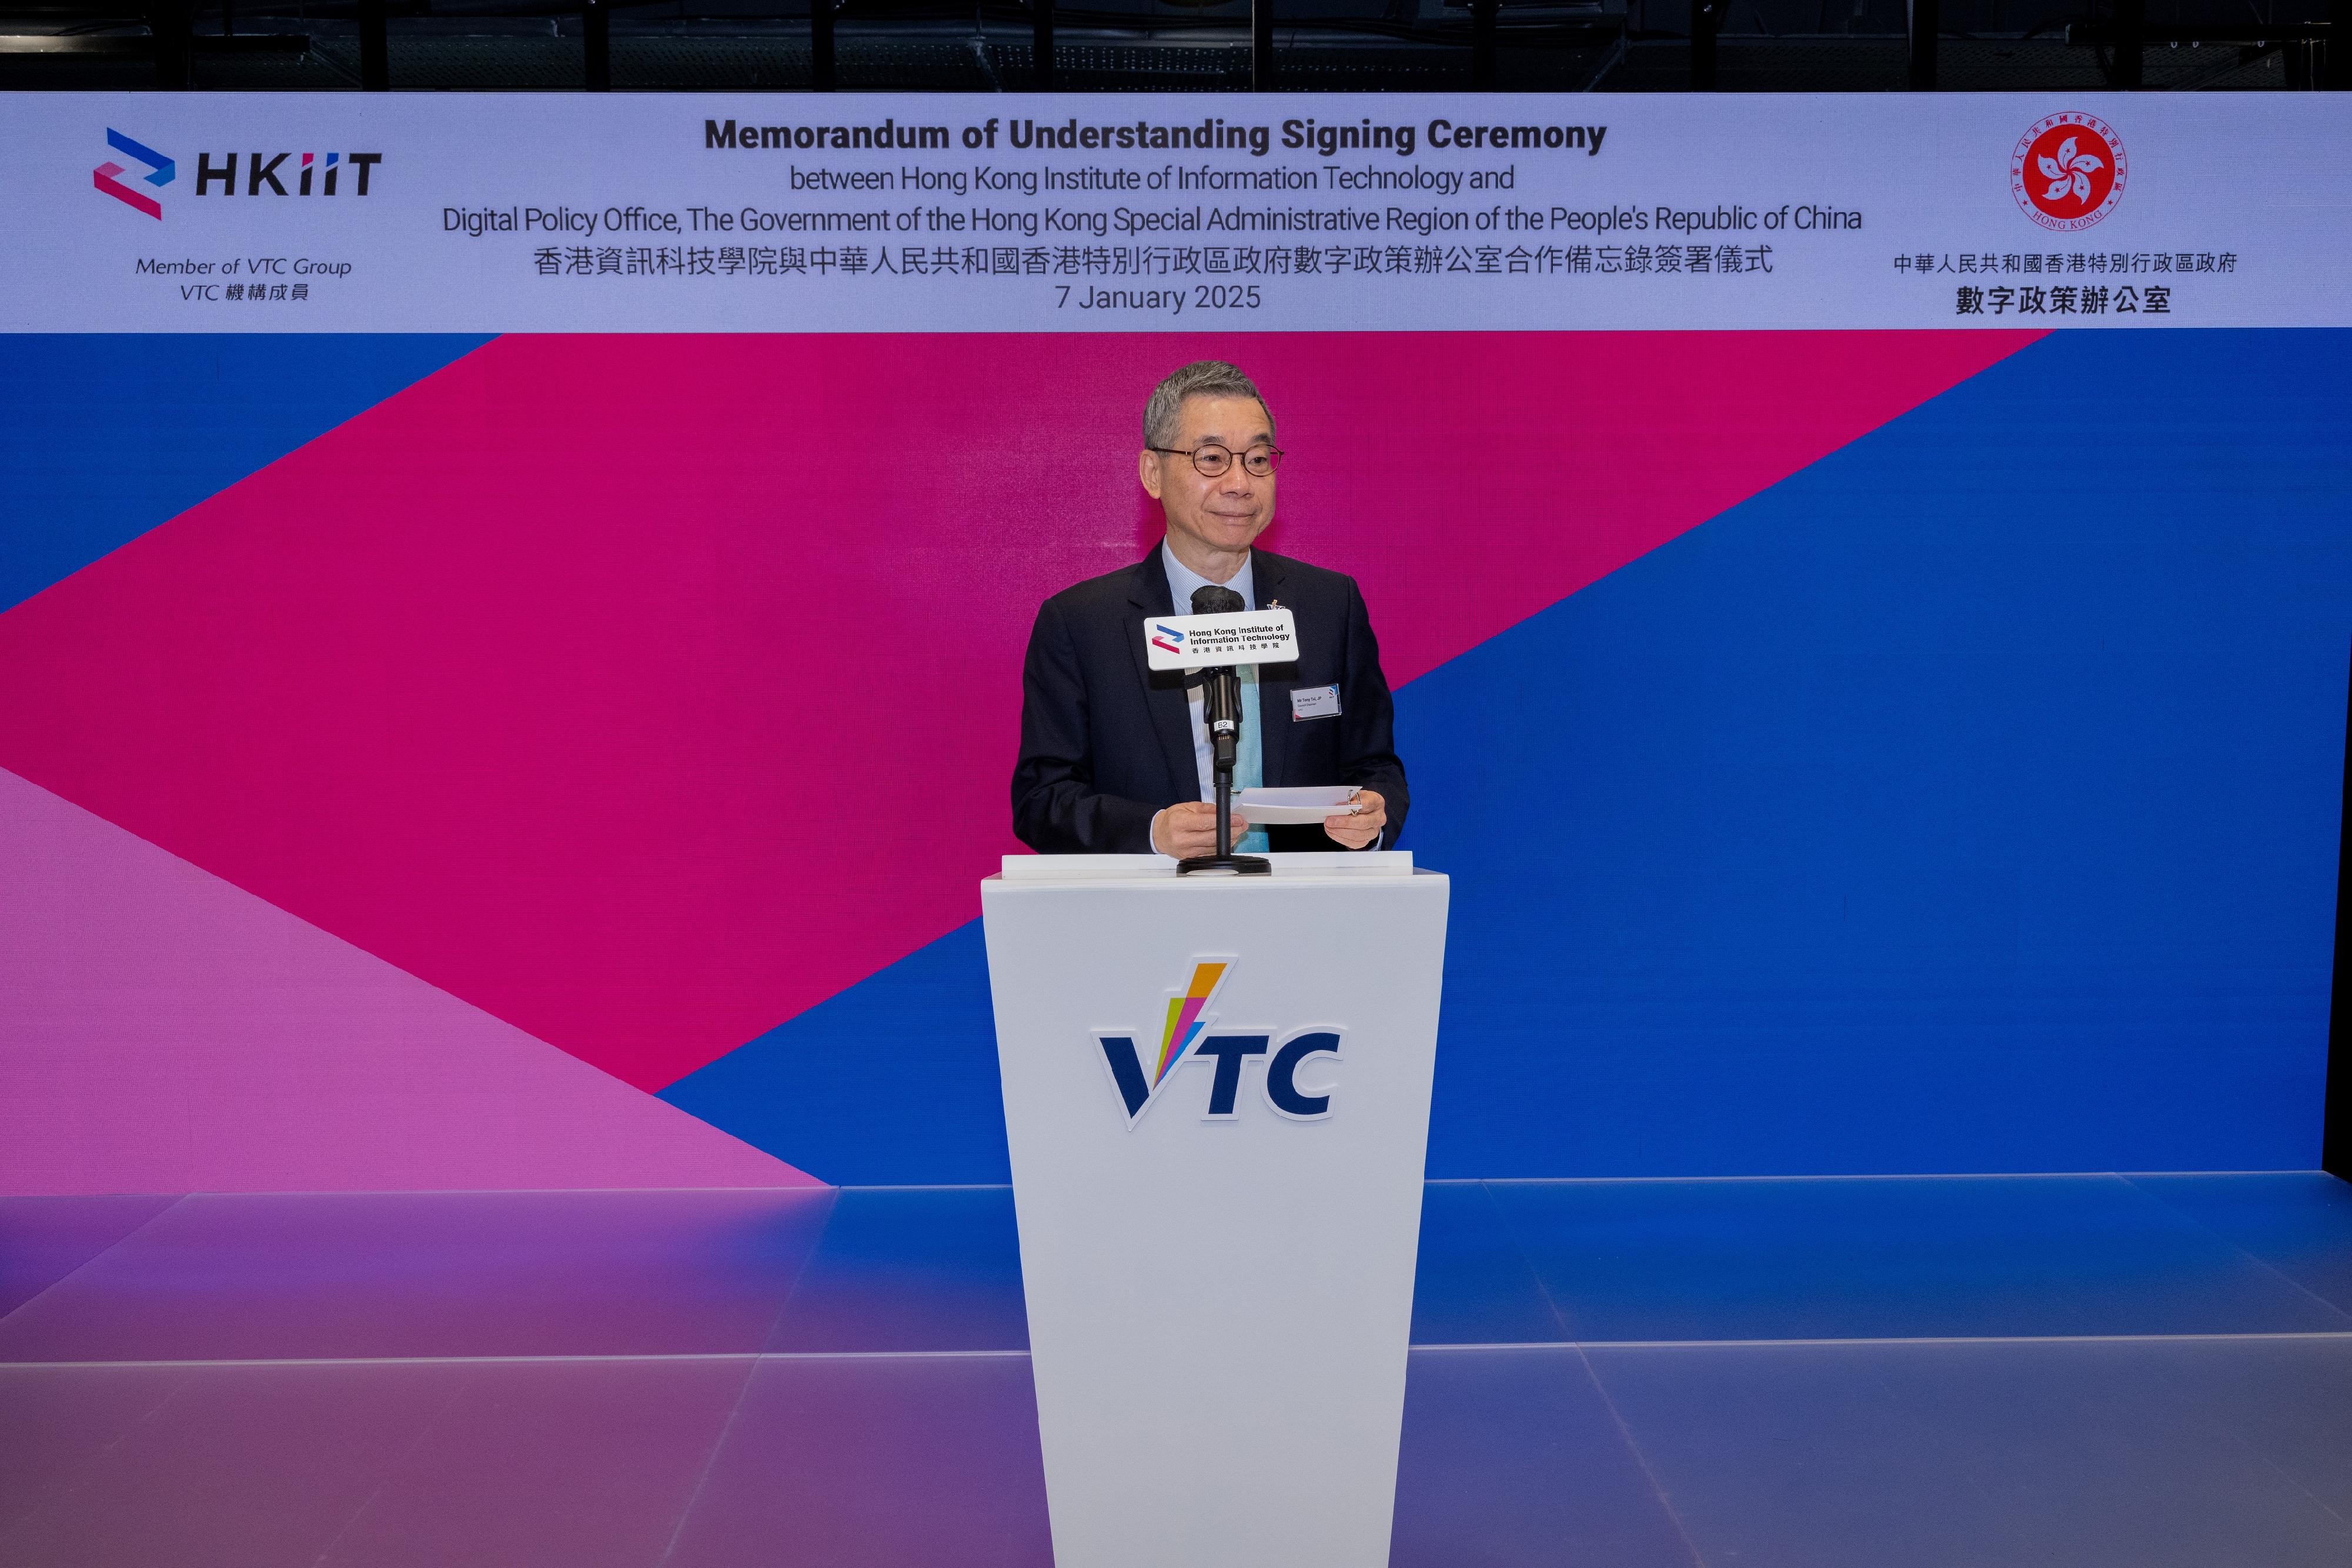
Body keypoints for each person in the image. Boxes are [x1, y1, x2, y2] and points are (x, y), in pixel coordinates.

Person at [1012, 360, 1409, 858]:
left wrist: (1371, 818)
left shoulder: (1330, 606)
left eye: (1258, 459)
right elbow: (1042, 800)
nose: (1241, 483)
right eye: (1213, 458)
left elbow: (1375, 769)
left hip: (1302, 909)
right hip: (1148, 914)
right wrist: (1152, 832)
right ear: (1152, 473)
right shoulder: (1081, 624)